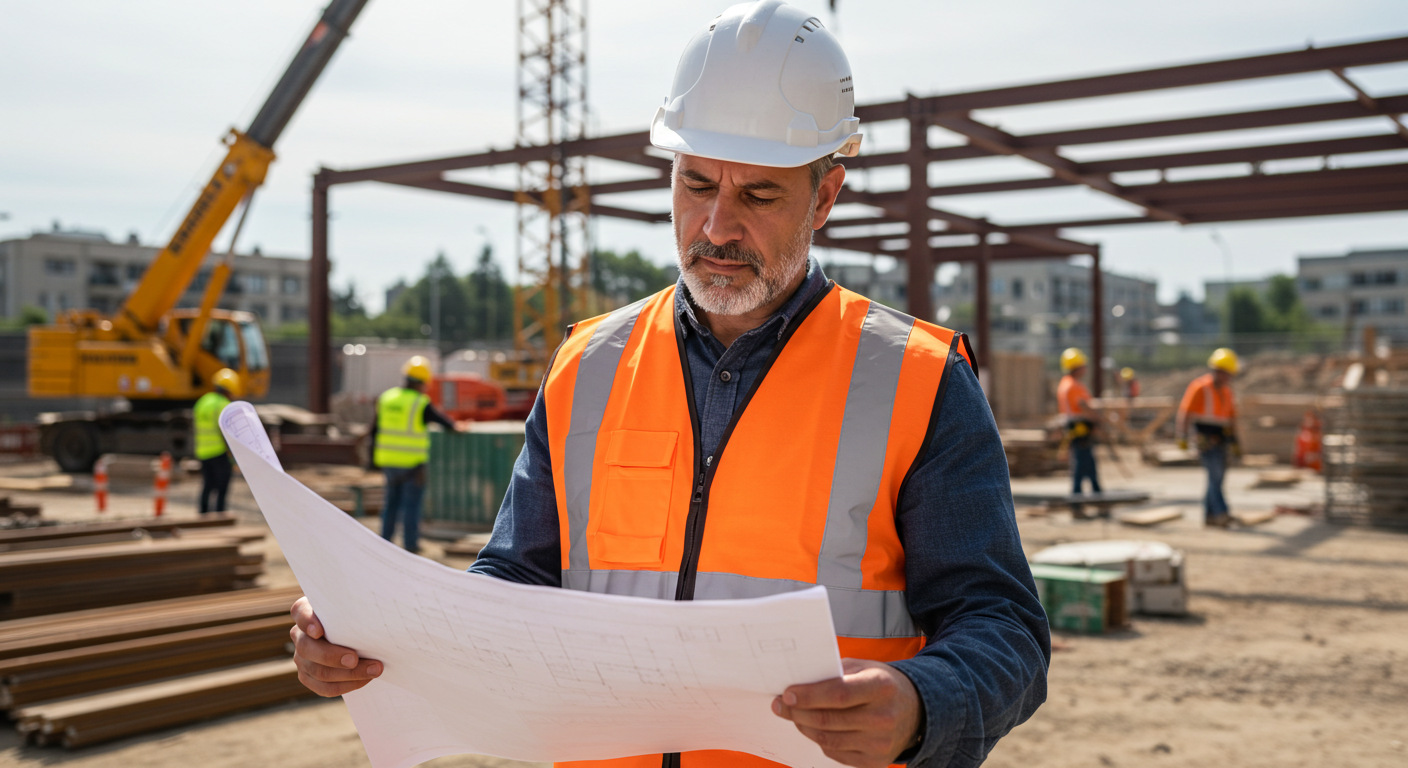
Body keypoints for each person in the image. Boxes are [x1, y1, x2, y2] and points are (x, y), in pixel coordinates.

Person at [290, 4, 1050, 767]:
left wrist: (922, 702)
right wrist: (376, 633)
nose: (716, 226)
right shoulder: (586, 365)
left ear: (825, 197)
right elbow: (513, 581)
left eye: (758, 195)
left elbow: (1004, 628)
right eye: (695, 184)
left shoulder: (917, 379)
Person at [369, 355, 458, 553]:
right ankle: (410, 545)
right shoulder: (420, 402)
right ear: (423, 382)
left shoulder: (386, 398)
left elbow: (374, 430)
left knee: (390, 504)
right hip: (412, 464)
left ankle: (384, 542)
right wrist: (457, 426)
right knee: (411, 506)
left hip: (389, 462)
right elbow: (444, 421)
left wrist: (370, 460)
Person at [1177, 348, 1241, 527]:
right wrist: (1182, 436)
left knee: (1217, 478)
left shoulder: (1227, 392)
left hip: (1221, 440)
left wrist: (1235, 442)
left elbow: (1231, 419)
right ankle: (1222, 513)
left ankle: (1210, 517)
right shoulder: (1200, 387)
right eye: (1226, 374)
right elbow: (1185, 413)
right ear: (1218, 371)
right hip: (1204, 439)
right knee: (1215, 476)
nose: (1228, 378)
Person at [193, 368, 241, 515]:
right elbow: (226, 432)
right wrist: (232, 454)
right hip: (219, 451)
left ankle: (203, 512)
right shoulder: (223, 405)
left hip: (202, 451)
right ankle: (220, 513)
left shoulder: (203, 401)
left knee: (208, 484)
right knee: (222, 485)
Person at [1057, 348, 1101, 497]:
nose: (1085, 368)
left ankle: (1096, 493)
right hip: (1080, 428)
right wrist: (1098, 418)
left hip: (1076, 427)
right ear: (1076, 366)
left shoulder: (1066, 383)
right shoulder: (1073, 386)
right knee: (1083, 462)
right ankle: (1079, 497)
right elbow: (1084, 406)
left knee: (1086, 461)